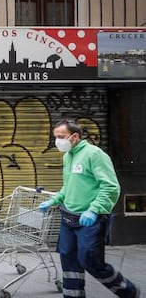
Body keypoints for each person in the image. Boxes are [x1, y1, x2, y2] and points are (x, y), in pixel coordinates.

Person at [39, 120, 140, 298]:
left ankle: (127, 291)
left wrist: (94, 209)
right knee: (68, 261)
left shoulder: (94, 154)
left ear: (75, 136)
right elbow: (68, 186)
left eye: (61, 137)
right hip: (68, 217)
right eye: (55, 137)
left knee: (90, 260)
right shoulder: (68, 156)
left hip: (90, 220)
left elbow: (110, 187)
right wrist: (53, 200)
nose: (57, 141)